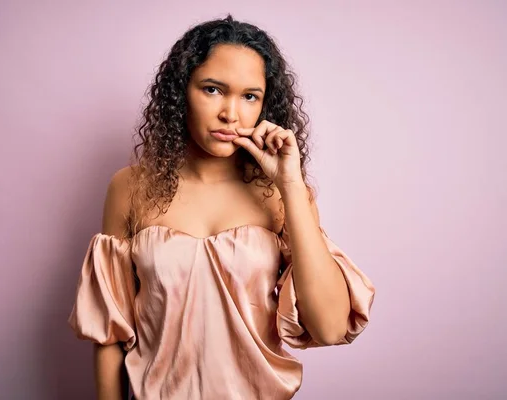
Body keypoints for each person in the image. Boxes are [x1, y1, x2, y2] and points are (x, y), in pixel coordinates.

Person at [68, 14, 376, 400]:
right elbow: (110, 332)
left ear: (265, 105)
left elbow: (330, 327)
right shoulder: (130, 187)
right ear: (182, 92)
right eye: (213, 90)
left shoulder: (282, 196)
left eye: (250, 96)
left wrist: (291, 185)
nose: (231, 113)